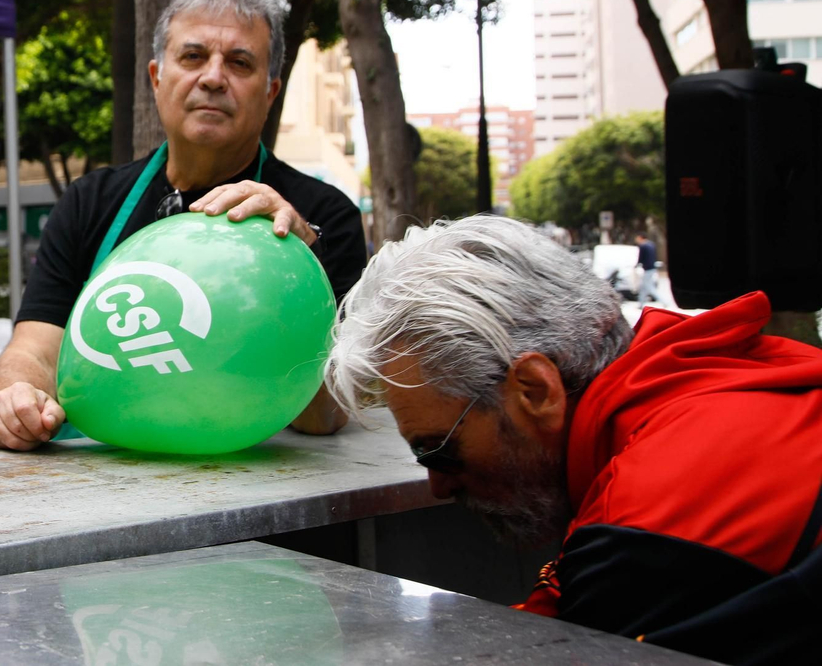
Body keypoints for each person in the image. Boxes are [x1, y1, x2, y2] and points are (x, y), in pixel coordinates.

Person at [326, 214, 822, 665]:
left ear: (536, 390)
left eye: (439, 450)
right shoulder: (711, 373)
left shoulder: (646, 521)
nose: (438, 485)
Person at [0, 0, 366, 450]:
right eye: (193, 56)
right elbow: (35, 350)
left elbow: (325, 416)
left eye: (240, 63)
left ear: (270, 93)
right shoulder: (89, 202)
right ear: (156, 78)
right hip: (93, 474)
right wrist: (17, 399)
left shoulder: (325, 217)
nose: (213, 78)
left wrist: (304, 254)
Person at [634, 232, 660, 303]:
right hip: (652, 268)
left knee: (649, 287)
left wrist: (637, 265)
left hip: (647, 269)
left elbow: (640, 258)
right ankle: (641, 303)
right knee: (644, 287)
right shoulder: (651, 244)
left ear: (640, 238)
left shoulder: (643, 246)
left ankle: (663, 301)